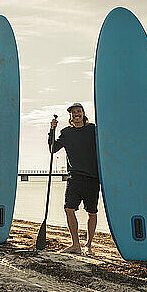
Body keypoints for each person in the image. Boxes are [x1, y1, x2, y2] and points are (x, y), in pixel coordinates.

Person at [49, 103, 99, 255]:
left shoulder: (93, 130)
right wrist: (52, 130)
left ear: (83, 113)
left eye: (79, 111)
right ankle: (75, 244)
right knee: (69, 209)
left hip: (92, 178)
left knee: (92, 213)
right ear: (70, 116)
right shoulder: (66, 133)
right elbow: (52, 149)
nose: (76, 114)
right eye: (73, 112)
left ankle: (88, 245)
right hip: (74, 177)